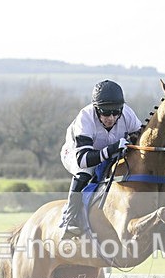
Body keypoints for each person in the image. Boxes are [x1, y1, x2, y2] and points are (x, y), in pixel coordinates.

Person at [59, 80, 143, 239]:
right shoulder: (85, 118)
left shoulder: (127, 114)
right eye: (105, 113)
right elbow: (83, 160)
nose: (111, 118)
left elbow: (140, 137)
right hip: (76, 154)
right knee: (84, 173)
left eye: (116, 112)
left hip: (110, 150)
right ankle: (70, 219)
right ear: (96, 109)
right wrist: (112, 149)